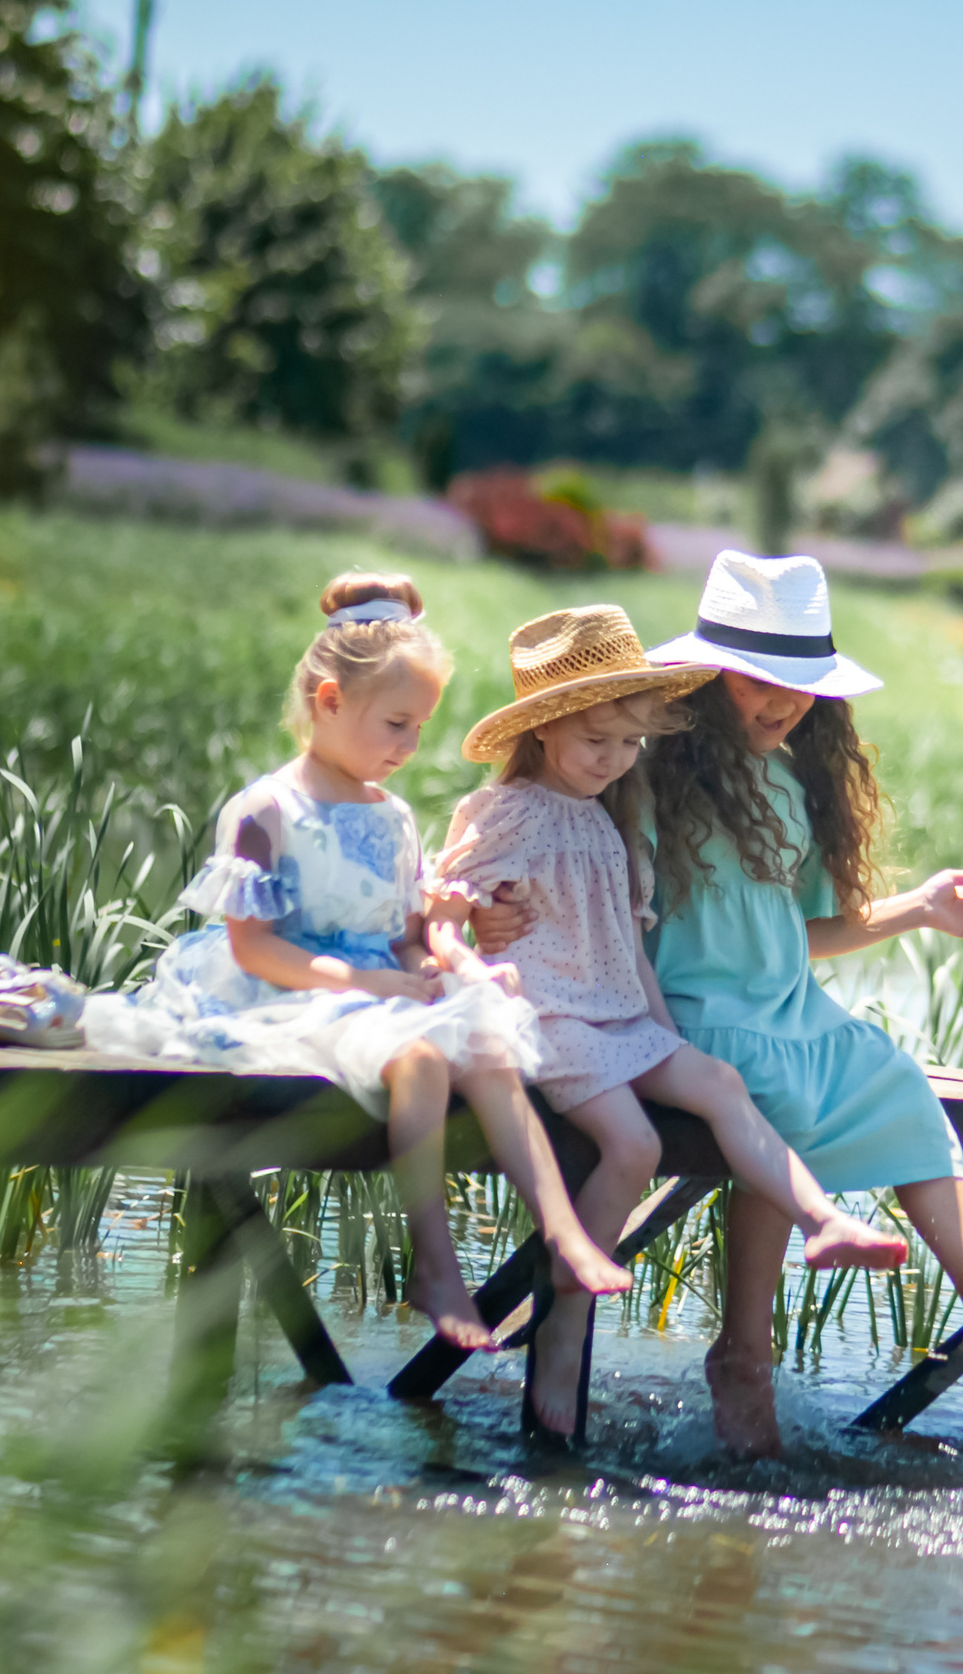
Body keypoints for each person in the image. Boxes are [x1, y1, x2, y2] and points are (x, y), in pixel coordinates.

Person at [84, 571, 631, 1352]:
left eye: (419, 728)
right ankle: (435, 1260)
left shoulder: (396, 816)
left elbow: (408, 932)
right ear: (330, 700)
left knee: (489, 1044)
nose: (409, 747)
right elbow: (254, 945)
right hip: (288, 985)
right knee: (417, 1058)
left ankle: (563, 1230)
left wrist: (443, 967)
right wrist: (369, 981)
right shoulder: (267, 810)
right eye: (396, 725)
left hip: (377, 984)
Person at [426, 605, 908, 1438]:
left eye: (627, 743)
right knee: (635, 1142)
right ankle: (566, 1321)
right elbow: (443, 900)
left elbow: (632, 945)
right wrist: (472, 929)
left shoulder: (613, 812)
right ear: (541, 733)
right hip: (549, 1014)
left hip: (618, 1011)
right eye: (594, 743)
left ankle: (822, 1218)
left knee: (717, 1081)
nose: (613, 760)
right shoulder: (507, 810)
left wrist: (666, 1039)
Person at [642, 552, 963, 1456]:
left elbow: (799, 935)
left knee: (900, 1083)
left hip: (791, 1011)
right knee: (780, 1099)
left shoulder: (790, 784)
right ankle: (744, 1353)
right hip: (694, 1016)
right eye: (763, 679)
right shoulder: (646, 775)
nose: (784, 701)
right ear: (708, 674)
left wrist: (918, 908)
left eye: (802, 685)